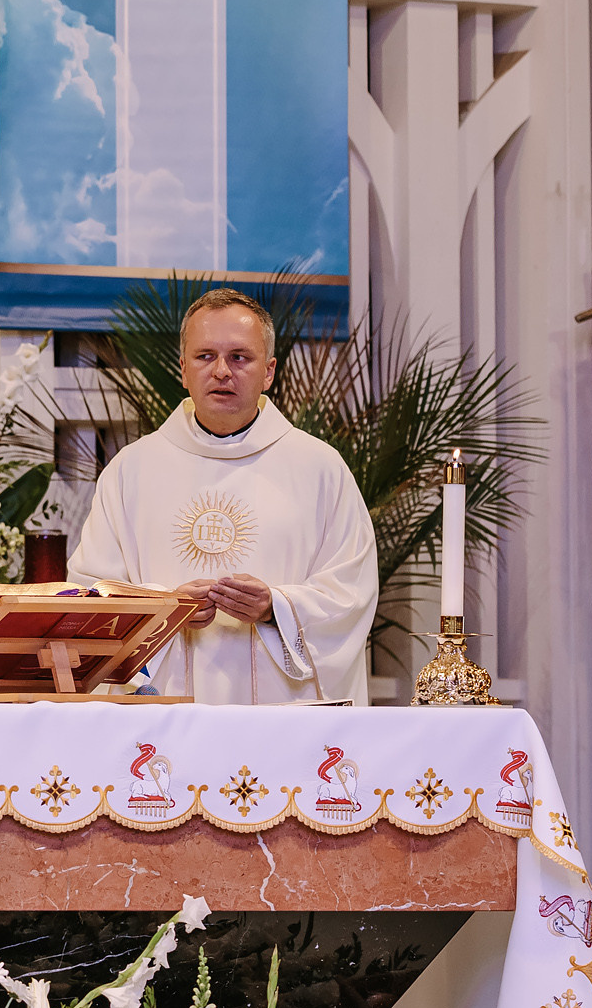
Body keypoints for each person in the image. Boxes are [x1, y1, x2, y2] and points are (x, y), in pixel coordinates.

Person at [67, 289, 378, 703]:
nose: (221, 371)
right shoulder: (131, 470)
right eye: (205, 356)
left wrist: (276, 607)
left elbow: (351, 593)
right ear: (182, 368)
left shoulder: (319, 467)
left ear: (268, 372)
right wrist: (166, 608)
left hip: (282, 718)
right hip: (163, 717)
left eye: (239, 357)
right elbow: (90, 593)